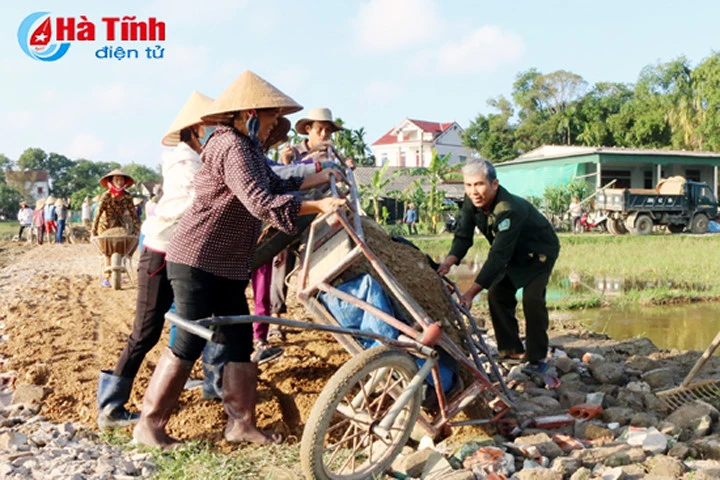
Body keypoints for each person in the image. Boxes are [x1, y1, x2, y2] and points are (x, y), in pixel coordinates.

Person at [132, 70, 345, 449]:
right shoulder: (230, 145)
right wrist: (320, 204)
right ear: (248, 112)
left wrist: (320, 177)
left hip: (226, 261)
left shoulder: (247, 148)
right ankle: (149, 426)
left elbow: (275, 183)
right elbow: (261, 202)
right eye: (268, 120)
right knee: (189, 340)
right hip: (197, 258)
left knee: (238, 339)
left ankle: (241, 424)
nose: (272, 128)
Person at [96, 91, 216, 428]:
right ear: (195, 129)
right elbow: (198, 197)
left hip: (184, 254)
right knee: (146, 332)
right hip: (160, 254)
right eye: (212, 126)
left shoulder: (201, 159)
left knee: (196, 317)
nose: (217, 133)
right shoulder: (183, 162)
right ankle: (110, 406)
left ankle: (204, 381)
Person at [437, 159, 560, 374]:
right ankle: (511, 349)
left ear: (494, 184)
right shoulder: (471, 202)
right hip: (513, 252)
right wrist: (449, 262)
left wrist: (470, 294)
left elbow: (498, 256)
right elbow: (463, 236)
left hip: (539, 253)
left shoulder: (509, 209)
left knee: (532, 298)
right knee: (496, 293)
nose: (474, 191)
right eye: (468, 185)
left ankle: (537, 356)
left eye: (479, 184)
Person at [92, 170, 141, 287]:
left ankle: (118, 272)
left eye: (121, 179)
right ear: (112, 181)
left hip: (120, 226)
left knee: (122, 248)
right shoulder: (106, 196)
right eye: (117, 180)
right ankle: (106, 277)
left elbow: (133, 213)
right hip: (105, 226)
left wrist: (137, 228)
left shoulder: (127, 196)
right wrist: (93, 230)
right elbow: (98, 214)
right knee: (106, 252)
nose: (119, 182)